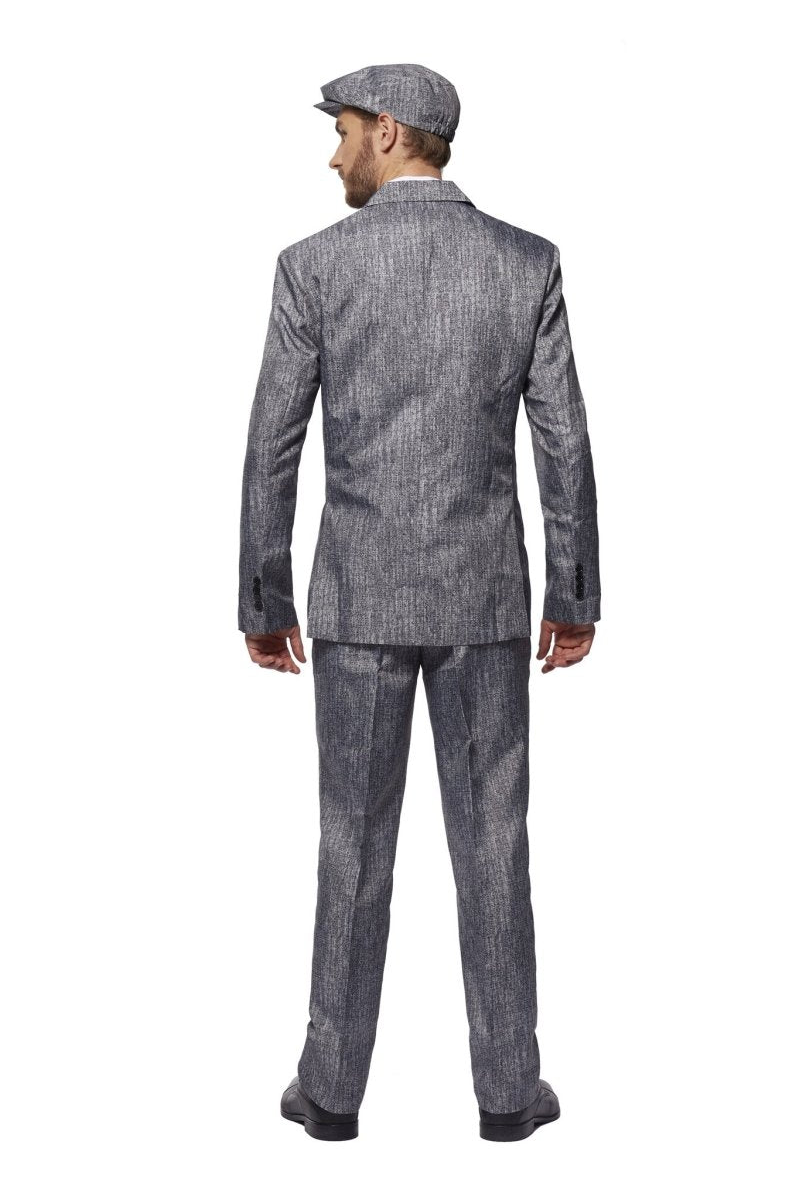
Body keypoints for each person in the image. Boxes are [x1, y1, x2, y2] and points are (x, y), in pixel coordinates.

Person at [238, 63, 601, 1142]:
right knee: (494, 846)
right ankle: (508, 1095)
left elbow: (272, 446)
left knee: (351, 848)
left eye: (344, 131)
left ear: (389, 132)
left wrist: (263, 595)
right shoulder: (524, 263)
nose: (334, 153)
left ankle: (330, 1094)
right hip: (485, 603)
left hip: (355, 604)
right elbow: (564, 443)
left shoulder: (314, 266)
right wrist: (574, 591)